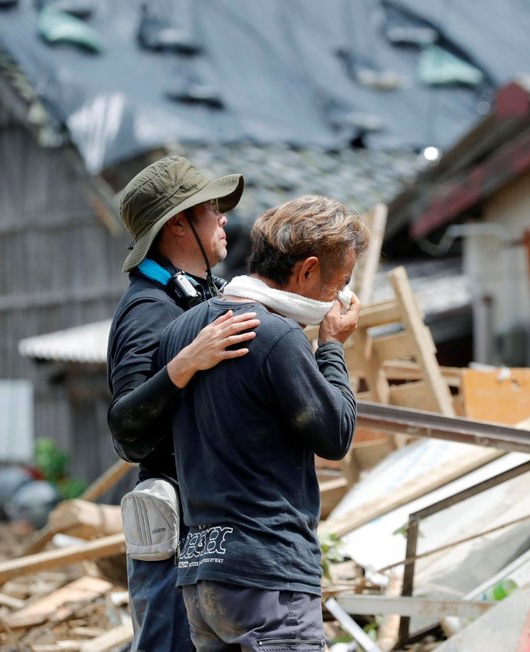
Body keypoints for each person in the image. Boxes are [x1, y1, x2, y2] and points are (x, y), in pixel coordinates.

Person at [154, 195, 367, 651]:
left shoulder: (182, 331)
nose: (341, 296)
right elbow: (336, 434)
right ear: (307, 271)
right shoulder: (276, 336)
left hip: (202, 574)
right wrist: (331, 346)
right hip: (267, 575)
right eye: (341, 282)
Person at [107, 155, 260, 651]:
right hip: (172, 535)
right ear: (178, 224)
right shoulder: (148, 309)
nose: (224, 220)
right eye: (212, 209)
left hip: (209, 533)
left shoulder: (195, 297)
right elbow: (128, 433)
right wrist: (185, 363)